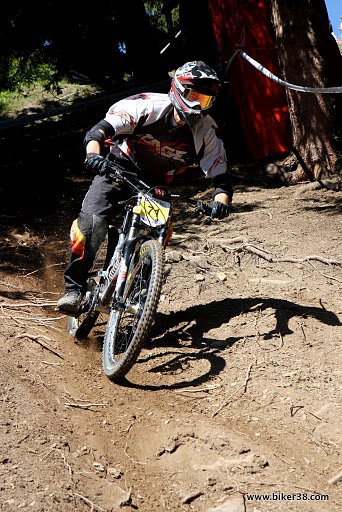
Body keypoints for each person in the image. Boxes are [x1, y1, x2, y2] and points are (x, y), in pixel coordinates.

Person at [57, 61, 233, 314]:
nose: (197, 105)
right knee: (91, 225)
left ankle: (141, 286)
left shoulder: (207, 130)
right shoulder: (145, 107)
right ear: (178, 89)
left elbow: (220, 175)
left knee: (158, 235)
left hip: (157, 183)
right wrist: (94, 155)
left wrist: (221, 202)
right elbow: (99, 131)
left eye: (204, 100)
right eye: (193, 95)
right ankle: (74, 289)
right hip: (118, 168)